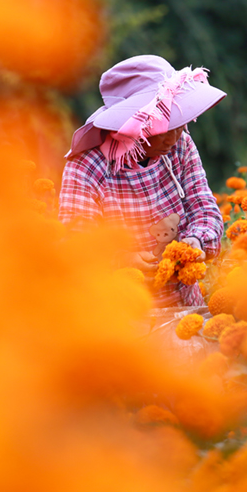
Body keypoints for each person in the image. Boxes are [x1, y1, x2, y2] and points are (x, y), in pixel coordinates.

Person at [58, 54, 226, 307]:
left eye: (179, 124)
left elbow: (204, 208)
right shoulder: (87, 166)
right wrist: (121, 260)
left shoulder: (180, 146)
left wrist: (197, 241)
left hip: (184, 305)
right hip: (116, 313)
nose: (173, 138)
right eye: (163, 128)